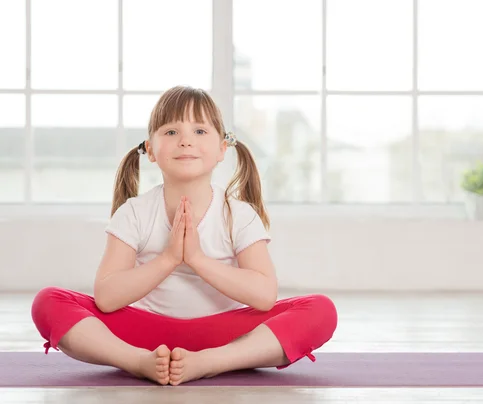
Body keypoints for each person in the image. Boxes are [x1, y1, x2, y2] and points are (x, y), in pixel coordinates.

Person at [30, 85, 338, 386]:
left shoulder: (239, 215)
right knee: (48, 302)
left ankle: (210, 363)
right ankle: (137, 362)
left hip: (225, 336)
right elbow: (108, 298)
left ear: (222, 149)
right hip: (143, 334)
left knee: (320, 310)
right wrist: (168, 259)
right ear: (150, 149)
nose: (186, 141)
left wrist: (198, 260)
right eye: (171, 132)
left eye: (200, 131)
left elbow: (263, 295)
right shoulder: (135, 212)